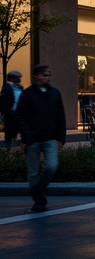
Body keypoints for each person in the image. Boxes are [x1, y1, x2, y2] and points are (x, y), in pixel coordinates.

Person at [15, 64, 65, 213]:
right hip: (32, 140)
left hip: (50, 138)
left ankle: (38, 191)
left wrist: (60, 139)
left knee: (51, 166)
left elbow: (60, 116)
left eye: (49, 75)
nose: (48, 77)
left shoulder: (55, 93)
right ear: (37, 76)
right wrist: (26, 137)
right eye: (45, 75)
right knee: (33, 172)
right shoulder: (28, 94)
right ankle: (38, 200)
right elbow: (19, 115)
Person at [2, 70, 22, 149]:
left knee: (21, 131)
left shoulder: (20, 87)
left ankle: (18, 148)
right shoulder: (6, 87)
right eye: (18, 77)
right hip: (10, 114)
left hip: (19, 113)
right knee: (9, 133)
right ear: (13, 78)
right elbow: (4, 101)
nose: (19, 79)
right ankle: (8, 149)